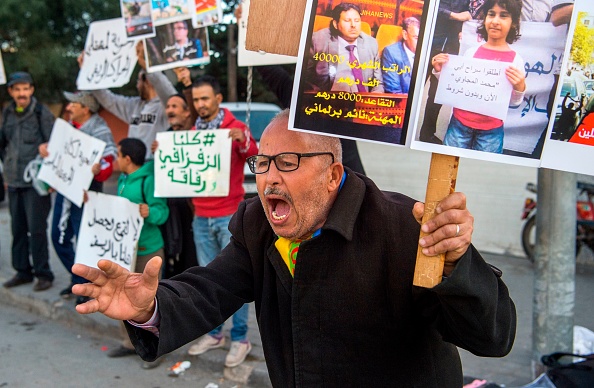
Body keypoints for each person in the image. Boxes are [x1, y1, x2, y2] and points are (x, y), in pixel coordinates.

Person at [72, 109, 516, 386]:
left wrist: (458, 263)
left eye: (287, 163)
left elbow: (491, 336)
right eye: (262, 163)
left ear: (333, 174)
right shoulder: (257, 223)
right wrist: (149, 308)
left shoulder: (405, 227)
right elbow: (210, 288)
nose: (268, 178)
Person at [183, 75, 257, 367]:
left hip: (229, 215)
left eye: (205, 99)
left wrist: (245, 141)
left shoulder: (236, 128)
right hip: (201, 216)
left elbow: (255, 156)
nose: (200, 104)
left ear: (217, 98)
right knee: (208, 279)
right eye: (196, 100)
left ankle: (240, 338)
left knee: (234, 280)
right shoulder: (191, 131)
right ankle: (215, 333)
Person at [38, 91, 117, 304]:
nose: (69, 107)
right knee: (59, 237)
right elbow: (57, 158)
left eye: (74, 103)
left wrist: (98, 170)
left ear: (86, 108)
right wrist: (45, 151)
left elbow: (109, 161)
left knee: (85, 242)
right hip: (66, 193)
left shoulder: (100, 130)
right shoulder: (68, 129)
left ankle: (85, 286)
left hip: (87, 196)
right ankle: (80, 280)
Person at [106, 137, 169, 369]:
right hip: (125, 251)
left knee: (151, 305)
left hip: (147, 251)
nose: (116, 159)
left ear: (128, 159)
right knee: (123, 298)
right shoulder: (124, 178)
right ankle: (129, 343)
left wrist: (149, 211)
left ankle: (157, 349)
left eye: (119, 155)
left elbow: (162, 213)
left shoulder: (148, 181)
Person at [432, 0, 526, 153]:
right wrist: (439, 71)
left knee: (483, 171)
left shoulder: (516, 60)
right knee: (447, 163)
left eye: (503, 16)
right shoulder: (471, 53)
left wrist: (519, 86)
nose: (495, 21)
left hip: (491, 132)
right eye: (491, 14)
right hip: (459, 125)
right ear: (484, 18)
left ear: (513, 23)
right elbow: (456, 86)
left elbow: (515, 102)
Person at [0, 71, 55, 292]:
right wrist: (9, 166)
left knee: (37, 229)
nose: (22, 93)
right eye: (17, 89)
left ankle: (44, 274)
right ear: (11, 91)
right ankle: (22, 271)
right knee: (18, 228)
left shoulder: (42, 113)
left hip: (36, 184)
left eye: (26, 88)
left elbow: (55, 146)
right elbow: (3, 144)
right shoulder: (8, 112)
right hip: (13, 182)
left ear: (32, 90)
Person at [81, 42, 176, 160]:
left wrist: (148, 67)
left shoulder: (167, 105)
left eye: (139, 81)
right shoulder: (133, 105)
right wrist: (88, 73)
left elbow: (163, 85)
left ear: (148, 82)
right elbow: (107, 99)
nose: (137, 85)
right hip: (132, 167)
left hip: (154, 166)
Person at [150, 93, 198, 278]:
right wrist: (158, 153)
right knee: (174, 249)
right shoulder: (165, 138)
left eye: (174, 106)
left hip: (195, 206)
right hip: (173, 205)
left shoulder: (198, 134)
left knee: (192, 254)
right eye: (168, 106)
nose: (169, 110)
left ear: (187, 113)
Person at [419, 0, 474, 144]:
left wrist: (468, 27)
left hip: (451, 46)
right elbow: (428, 6)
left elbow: (473, 13)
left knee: (437, 93)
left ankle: (427, 134)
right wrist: (455, 16)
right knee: (413, 87)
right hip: (425, 42)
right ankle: (400, 129)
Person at [306, 3, 383, 93]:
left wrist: (370, 102)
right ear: (335, 24)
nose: (353, 25)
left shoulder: (371, 43)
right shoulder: (318, 40)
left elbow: (378, 83)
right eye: (347, 20)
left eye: (357, 20)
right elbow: (305, 77)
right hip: (329, 100)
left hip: (362, 100)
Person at [381, 16, 421, 94]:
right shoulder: (391, 53)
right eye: (416, 38)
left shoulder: (428, 54)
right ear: (405, 35)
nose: (422, 43)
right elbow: (394, 91)